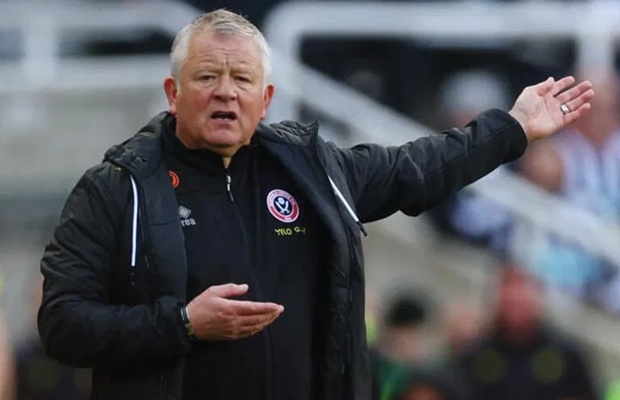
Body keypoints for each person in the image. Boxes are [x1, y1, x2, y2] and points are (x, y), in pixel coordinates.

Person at [37, 8, 594, 400]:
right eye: (207, 76)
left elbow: (414, 169)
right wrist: (181, 324)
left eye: (242, 78)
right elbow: (62, 325)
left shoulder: (312, 172)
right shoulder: (116, 189)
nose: (226, 91)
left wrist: (512, 129)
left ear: (266, 99)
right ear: (172, 93)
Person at [458, 264, 598, 400]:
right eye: (510, 303)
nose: (515, 299)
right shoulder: (476, 354)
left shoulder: (566, 354)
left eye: (521, 300)